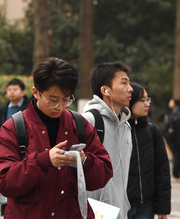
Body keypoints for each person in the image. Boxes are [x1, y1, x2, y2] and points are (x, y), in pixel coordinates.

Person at [0, 57, 113, 218]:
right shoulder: (14, 128)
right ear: (35, 93)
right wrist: (43, 161)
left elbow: (103, 176)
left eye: (66, 99)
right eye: (53, 100)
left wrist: (84, 161)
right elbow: (4, 183)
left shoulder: (79, 125)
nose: (59, 106)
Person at [82, 62, 133, 219]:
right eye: (124, 83)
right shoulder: (89, 121)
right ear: (105, 90)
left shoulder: (126, 126)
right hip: (94, 211)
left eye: (129, 83)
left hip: (119, 211)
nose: (130, 88)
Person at [127, 82, 171, 219]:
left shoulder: (152, 131)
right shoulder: (118, 130)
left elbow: (162, 170)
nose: (147, 104)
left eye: (148, 99)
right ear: (130, 101)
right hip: (121, 204)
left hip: (145, 205)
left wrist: (162, 208)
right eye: (142, 100)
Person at [0, 78, 31, 215]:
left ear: (23, 91)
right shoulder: (3, 108)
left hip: (24, 150)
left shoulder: (29, 107)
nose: (11, 92)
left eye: (15, 89)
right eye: (9, 89)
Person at [165, 97, 180, 182]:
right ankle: (176, 176)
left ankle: (176, 175)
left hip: (172, 138)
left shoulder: (174, 112)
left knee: (177, 157)